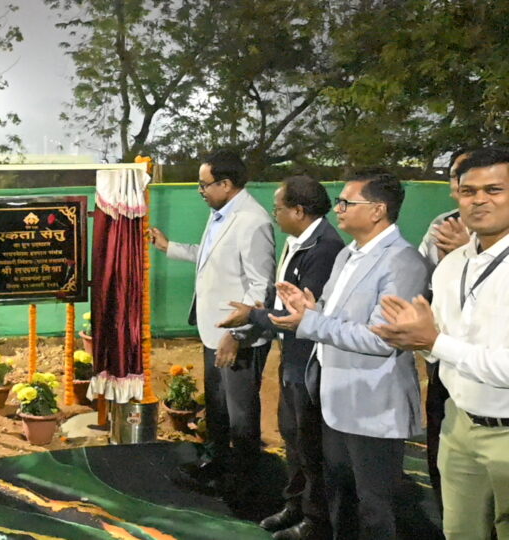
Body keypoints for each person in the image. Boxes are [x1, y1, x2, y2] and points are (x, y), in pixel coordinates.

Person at [270, 170, 430, 539]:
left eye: (346, 202)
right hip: (337, 400)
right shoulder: (347, 255)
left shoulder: (401, 262)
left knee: (374, 509)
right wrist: (310, 308)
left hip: (372, 408)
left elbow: (382, 339)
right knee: (341, 498)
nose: (337, 208)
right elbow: (332, 313)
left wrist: (309, 323)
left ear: (378, 210)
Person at [372, 147, 509, 539]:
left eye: (494, 189)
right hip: (459, 426)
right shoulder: (451, 264)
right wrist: (415, 338)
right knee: (460, 532)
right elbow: (443, 345)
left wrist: (434, 341)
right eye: (468, 191)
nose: (479, 199)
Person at [218, 176, 343, 539]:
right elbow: (283, 302)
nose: (275, 215)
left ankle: (315, 520)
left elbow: (301, 319)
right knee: (293, 438)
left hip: (309, 363)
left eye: (279, 209)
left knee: (310, 444)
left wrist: (252, 317)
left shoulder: (325, 249)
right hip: (291, 361)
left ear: (299, 211)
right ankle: (295, 506)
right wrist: (264, 308)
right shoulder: (299, 241)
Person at [149, 149, 275, 496]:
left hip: (237, 338)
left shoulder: (253, 221)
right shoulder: (221, 213)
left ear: (226, 184)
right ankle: (216, 466)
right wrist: (168, 246)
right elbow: (207, 255)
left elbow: (260, 287)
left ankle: (247, 484)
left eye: (204, 185)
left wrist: (237, 333)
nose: (200, 191)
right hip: (213, 330)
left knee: (241, 416)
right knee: (218, 408)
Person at [416, 149, 471, 514]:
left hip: (494, 371)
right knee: (440, 440)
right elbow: (424, 278)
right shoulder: (442, 223)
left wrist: (471, 251)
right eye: (458, 176)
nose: (464, 184)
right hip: (442, 356)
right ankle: (445, 513)